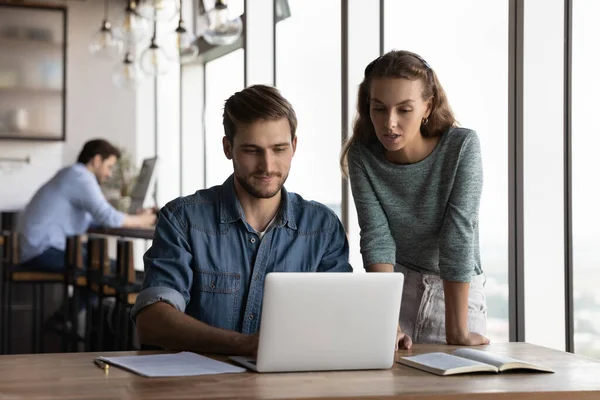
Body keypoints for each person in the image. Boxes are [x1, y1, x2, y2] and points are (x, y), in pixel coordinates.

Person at [132, 84, 352, 356]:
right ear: (228, 148)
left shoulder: (323, 228)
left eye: (279, 149)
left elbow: (341, 315)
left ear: (294, 146)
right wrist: (245, 346)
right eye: (252, 150)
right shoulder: (183, 219)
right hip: (201, 387)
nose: (268, 166)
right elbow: (152, 321)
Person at [341, 50, 489, 349]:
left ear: (427, 107)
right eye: (379, 108)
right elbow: (376, 236)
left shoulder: (461, 147)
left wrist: (457, 331)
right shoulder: (362, 156)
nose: (390, 123)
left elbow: (458, 235)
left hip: (456, 293)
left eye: (404, 110)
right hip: (396, 286)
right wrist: (390, 324)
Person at [18, 139, 157, 271]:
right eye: (109, 167)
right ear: (97, 161)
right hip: (43, 251)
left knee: (98, 262)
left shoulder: (72, 174)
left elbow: (96, 219)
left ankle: (84, 297)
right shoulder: (81, 177)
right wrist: (144, 220)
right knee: (112, 268)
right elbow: (107, 216)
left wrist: (132, 218)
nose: (109, 174)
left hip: (37, 249)